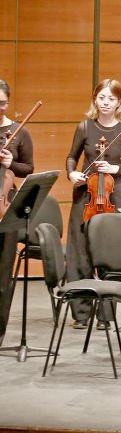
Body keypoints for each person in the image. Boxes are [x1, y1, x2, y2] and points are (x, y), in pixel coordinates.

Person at [65, 79, 121, 330]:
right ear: (95, 100)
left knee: (108, 254)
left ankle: (106, 315)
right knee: (80, 253)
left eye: (111, 99)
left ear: (119, 103)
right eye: (101, 98)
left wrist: (116, 168)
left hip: (115, 195)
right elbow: (72, 157)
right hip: (86, 196)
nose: (106, 103)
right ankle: (81, 313)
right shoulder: (85, 127)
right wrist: (72, 174)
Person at [0, 79, 34, 348]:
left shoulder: (19, 132)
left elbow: (28, 168)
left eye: (2, 102)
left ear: (8, 102)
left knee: (3, 276)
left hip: (5, 210)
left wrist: (12, 163)